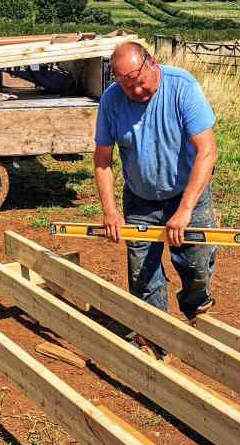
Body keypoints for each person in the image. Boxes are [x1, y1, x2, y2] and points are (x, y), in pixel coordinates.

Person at [93, 41, 219, 332]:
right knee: (143, 275)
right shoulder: (111, 101)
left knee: (196, 266)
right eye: (127, 87)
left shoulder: (182, 87)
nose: (136, 91)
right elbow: (102, 161)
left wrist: (185, 210)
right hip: (140, 199)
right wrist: (110, 212)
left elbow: (207, 151)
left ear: (152, 63)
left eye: (139, 82)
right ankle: (154, 335)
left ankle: (197, 316)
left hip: (187, 195)